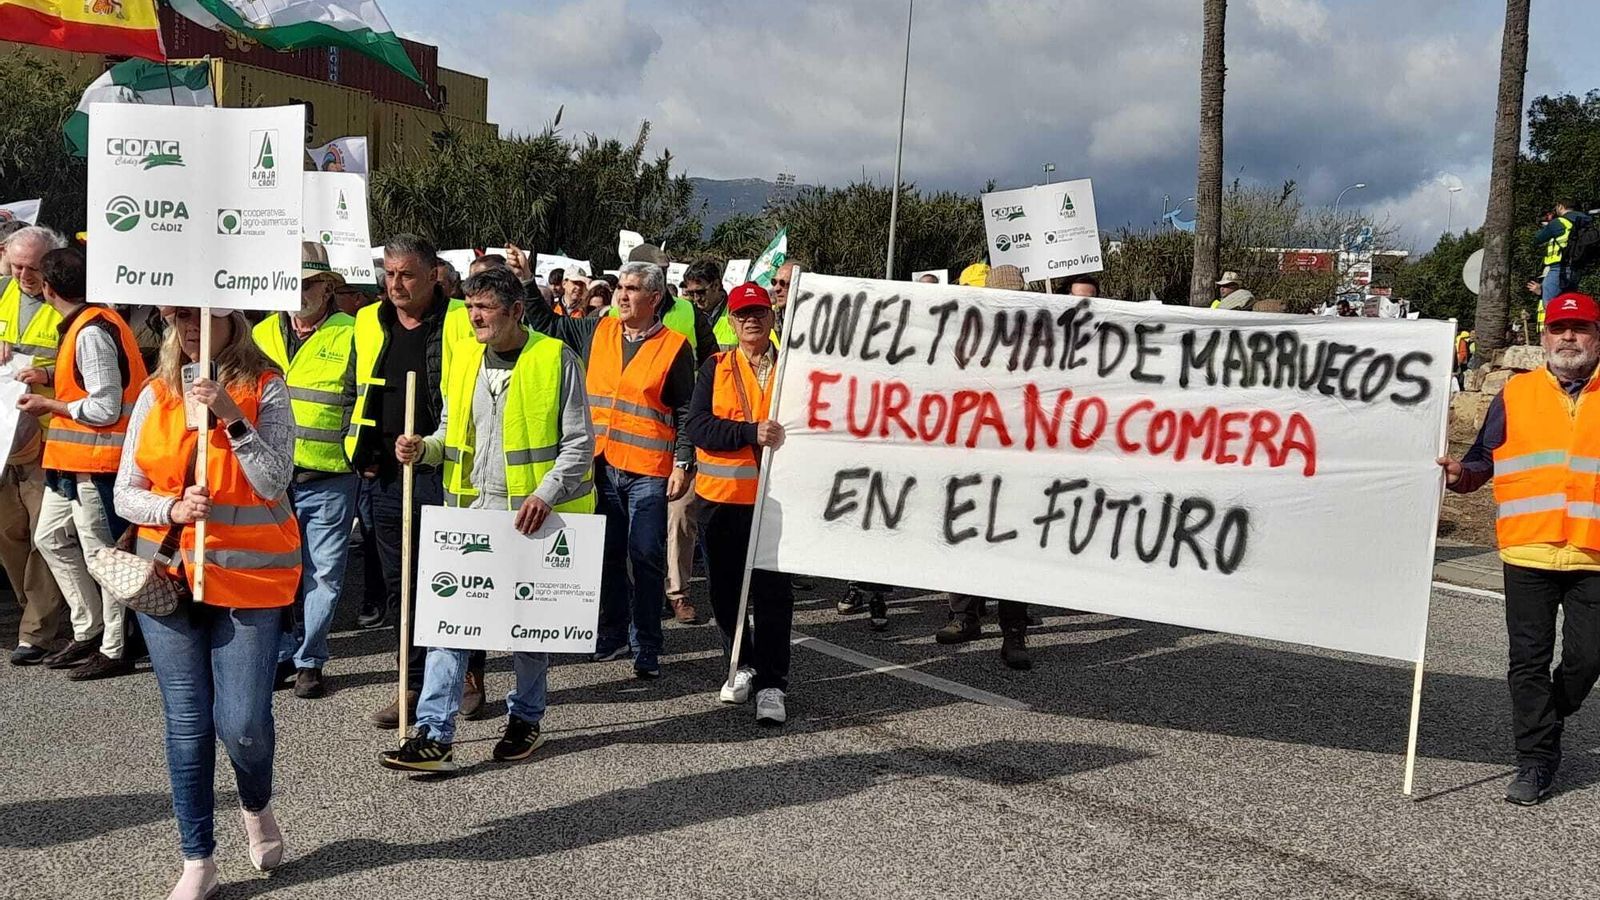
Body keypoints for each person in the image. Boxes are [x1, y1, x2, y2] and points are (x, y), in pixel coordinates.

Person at [115, 305, 301, 898]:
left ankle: (256, 804)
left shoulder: (266, 385)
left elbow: (275, 480)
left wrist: (231, 419)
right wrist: (169, 509)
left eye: (204, 314)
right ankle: (198, 859)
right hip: (169, 578)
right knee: (188, 723)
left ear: (233, 318)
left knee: (244, 724)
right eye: (177, 316)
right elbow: (125, 492)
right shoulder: (155, 392)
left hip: (249, 580)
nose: (189, 324)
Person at [381, 267, 594, 771]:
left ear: (517, 311)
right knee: (449, 622)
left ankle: (525, 719)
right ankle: (434, 733)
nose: (474, 315)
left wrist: (546, 493)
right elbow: (452, 431)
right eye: (470, 305)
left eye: (485, 307)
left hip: (531, 517)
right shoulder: (466, 361)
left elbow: (580, 443)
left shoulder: (555, 358)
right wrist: (423, 449)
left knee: (528, 627)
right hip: (471, 515)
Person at [1438, 291, 1600, 805]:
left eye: (1580, 330)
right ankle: (1535, 760)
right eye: (1558, 329)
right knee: (1527, 661)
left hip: (1594, 554)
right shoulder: (1516, 393)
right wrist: (1462, 476)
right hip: (1527, 551)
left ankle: (1545, 717)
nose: (1567, 338)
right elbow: (1482, 458)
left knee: (1586, 659)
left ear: (1597, 337)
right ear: (1545, 337)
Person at [520, 260, 697, 677]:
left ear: (654, 298)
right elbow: (546, 322)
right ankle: (614, 632)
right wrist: (528, 281)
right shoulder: (597, 330)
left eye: (633, 289)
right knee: (609, 555)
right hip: (601, 467)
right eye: (620, 287)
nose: (622, 294)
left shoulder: (674, 346)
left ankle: (647, 644)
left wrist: (683, 462)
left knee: (647, 556)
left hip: (650, 470)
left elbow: (686, 410)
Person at [346, 234, 483, 727]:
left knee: (451, 581)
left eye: (406, 274)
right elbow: (353, 389)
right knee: (401, 583)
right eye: (389, 273)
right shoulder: (367, 320)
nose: (396, 283)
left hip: (444, 471)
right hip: (384, 474)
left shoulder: (461, 321)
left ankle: (467, 675)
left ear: (433, 276)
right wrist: (356, 447)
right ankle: (411, 683)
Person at [19, 247, 146, 679]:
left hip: (96, 462)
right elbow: (96, 381)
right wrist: (49, 378)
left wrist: (48, 403)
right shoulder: (91, 323)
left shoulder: (91, 330)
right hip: (73, 464)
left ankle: (113, 647)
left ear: (49, 288)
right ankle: (89, 629)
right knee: (51, 537)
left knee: (101, 555)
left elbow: (105, 406)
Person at [252, 243, 358, 699]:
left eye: (310, 283)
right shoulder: (258, 334)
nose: (300, 291)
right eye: (292, 282)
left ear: (328, 289)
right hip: (270, 477)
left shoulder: (354, 333)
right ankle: (279, 654)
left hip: (330, 475)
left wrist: (358, 455)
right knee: (276, 570)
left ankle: (310, 659)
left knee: (324, 574)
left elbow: (364, 401)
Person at [686, 282, 795, 725]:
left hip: (775, 504)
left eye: (759, 312)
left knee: (772, 594)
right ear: (730, 322)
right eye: (742, 314)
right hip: (723, 501)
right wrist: (749, 433)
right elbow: (698, 427)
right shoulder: (715, 367)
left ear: (772, 317)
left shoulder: (792, 367)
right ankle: (742, 664)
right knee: (726, 593)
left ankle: (773, 683)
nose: (751, 320)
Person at [931, 264, 1034, 670]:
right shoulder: (965, 339)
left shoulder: (1041, 342)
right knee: (964, 533)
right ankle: (964, 615)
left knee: (1011, 545)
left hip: (1019, 460)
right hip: (970, 457)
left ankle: (1014, 632)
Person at [0, 226, 68, 666]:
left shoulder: (67, 303)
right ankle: (33, 614)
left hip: (49, 437)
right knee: (9, 533)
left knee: (47, 534)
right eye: (17, 266)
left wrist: (45, 375)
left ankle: (37, 630)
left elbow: (90, 371)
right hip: (5, 438)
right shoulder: (1, 293)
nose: (25, 275)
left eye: (34, 267)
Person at [1532, 201, 1592, 310]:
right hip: (1576, 268)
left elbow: (1537, 239)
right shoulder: (1585, 221)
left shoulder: (1559, 222)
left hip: (1559, 268)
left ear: (1561, 207)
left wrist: (1548, 225)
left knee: (1551, 306)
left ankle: (1553, 326)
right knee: (1568, 305)